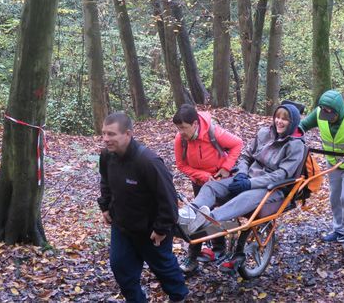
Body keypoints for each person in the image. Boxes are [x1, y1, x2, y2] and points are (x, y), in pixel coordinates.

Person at [183, 103, 306, 269]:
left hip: (271, 188)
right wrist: (241, 173)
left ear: (292, 122)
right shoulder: (264, 133)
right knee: (212, 186)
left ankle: (209, 220)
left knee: (243, 197)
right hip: (247, 178)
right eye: (277, 117)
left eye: (285, 119)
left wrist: (249, 183)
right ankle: (192, 212)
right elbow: (246, 156)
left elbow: (282, 174)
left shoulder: (296, 145)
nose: (279, 121)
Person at [97, 112, 188, 303]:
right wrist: (105, 207)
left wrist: (161, 229)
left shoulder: (148, 161)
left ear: (128, 134)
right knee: (120, 266)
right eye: (104, 133)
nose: (106, 139)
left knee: (163, 267)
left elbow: (168, 199)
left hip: (151, 230)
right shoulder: (107, 156)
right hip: (122, 225)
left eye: (111, 134)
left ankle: (179, 297)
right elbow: (105, 181)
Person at [172, 104, 243, 274]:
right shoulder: (180, 139)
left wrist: (226, 167)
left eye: (183, 128)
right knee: (197, 217)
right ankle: (194, 255)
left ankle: (219, 249)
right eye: (178, 128)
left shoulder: (213, 132)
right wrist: (202, 176)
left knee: (216, 216)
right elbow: (181, 165)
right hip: (200, 182)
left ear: (195, 124)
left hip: (221, 182)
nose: (180, 131)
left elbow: (237, 144)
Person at [300, 90, 344, 250]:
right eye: (324, 112)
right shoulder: (320, 112)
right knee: (334, 198)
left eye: (330, 114)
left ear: (338, 110)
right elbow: (303, 126)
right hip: (333, 163)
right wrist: (293, 134)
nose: (326, 116)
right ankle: (338, 230)